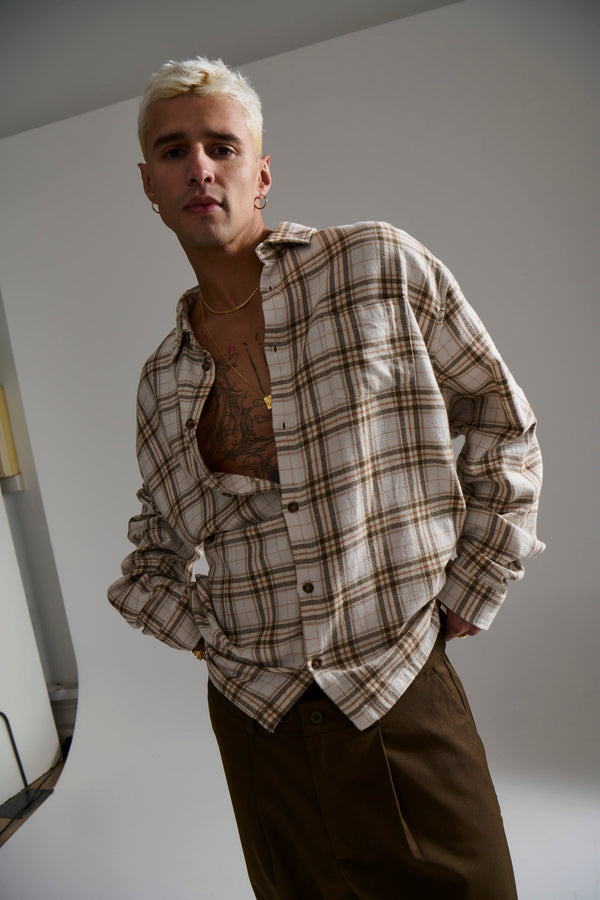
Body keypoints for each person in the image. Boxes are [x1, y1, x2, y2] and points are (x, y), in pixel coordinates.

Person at [108, 56, 544, 900]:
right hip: (257, 727)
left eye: (221, 146)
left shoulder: (375, 266)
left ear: (262, 172)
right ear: (150, 186)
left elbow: (500, 418)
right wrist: (214, 640)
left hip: (398, 689)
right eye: (173, 150)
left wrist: (476, 580)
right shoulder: (162, 379)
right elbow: (155, 548)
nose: (199, 167)